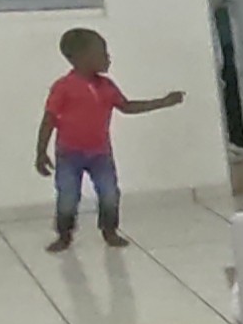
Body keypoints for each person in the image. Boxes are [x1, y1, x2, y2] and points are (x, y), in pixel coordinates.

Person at [35, 28, 185, 253]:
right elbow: (49, 120)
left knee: (109, 193)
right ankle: (64, 235)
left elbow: (127, 106)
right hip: (68, 154)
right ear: (81, 58)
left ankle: (110, 230)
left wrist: (162, 102)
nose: (108, 58)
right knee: (67, 196)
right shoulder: (63, 87)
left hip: (100, 153)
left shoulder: (106, 86)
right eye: (102, 53)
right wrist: (41, 152)